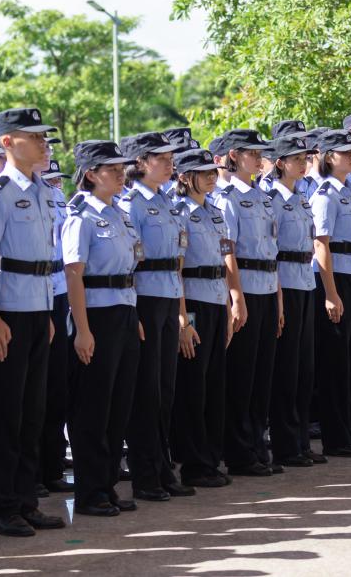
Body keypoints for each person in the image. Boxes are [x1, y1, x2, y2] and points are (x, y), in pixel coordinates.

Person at [0, 108, 66, 537]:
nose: (45, 144)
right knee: (6, 414)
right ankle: (4, 507)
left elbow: (45, 261)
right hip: (9, 310)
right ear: (9, 143)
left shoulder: (45, 191)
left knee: (33, 412)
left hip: (37, 308)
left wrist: (48, 313)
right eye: (35, 137)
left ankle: (27, 500)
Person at [62, 141, 142, 517]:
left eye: (121, 167)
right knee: (93, 407)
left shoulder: (119, 214)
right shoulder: (80, 215)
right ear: (91, 174)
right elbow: (74, 275)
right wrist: (82, 329)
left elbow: (128, 271)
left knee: (119, 405)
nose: (120, 173)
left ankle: (107, 485)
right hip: (96, 315)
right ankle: (90, 490)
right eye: (112, 168)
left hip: (124, 312)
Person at [118, 132, 192, 502]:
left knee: (165, 389)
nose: (169, 162)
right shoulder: (131, 202)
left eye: (169, 157)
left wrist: (181, 313)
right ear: (141, 162)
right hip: (144, 298)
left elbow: (176, 262)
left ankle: (162, 467)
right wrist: (134, 310)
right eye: (161, 157)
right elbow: (128, 262)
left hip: (167, 296)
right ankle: (145, 474)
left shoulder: (166, 201)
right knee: (146, 391)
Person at [214, 130, 282, 477]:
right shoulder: (228, 199)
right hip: (247, 287)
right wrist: (236, 296)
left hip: (269, 285)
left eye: (261, 153)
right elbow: (229, 253)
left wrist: (279, 298)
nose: (259, 159)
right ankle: (239, 451)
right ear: (234, 156)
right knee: (242, 374)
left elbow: (273, 250)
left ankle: (257, 443)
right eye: (252, 153)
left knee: (261, 375)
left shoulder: (262, 196)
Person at [170, 148, 232, 488]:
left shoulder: (216, 212)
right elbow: (176, 270)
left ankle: (211, 457)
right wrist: (182, 319)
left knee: (213, 383)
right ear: (184, 177)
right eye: (202, 171)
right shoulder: (180, 213)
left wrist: (228, 303)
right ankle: (194, 462)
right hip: (191, 300)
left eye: (213, 170)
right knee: (193, 384)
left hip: (215, 296)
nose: (211, 176)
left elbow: (223, 262)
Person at [310, 130, 351, 458]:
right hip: (332, 279)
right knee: (335, 362)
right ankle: (336, 437)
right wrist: (331, 293)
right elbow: (322, 244)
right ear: (328, 157)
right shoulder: (325, 194)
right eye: (344, 152)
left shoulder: (349, 192)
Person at [265, 135, 321, 467]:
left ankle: (300, 439)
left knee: (304, 366)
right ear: (281, 163)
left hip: (304, 277)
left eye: (304, 157)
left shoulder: (301, 198)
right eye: (296, 158)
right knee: (286, 368)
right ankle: (286, 443)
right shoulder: (272, 199)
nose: (303, 162)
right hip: (284, 279)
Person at [38, 158, 73, 494]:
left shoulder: (57, 200)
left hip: (59, 291)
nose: (54, 185)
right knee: (34, 392)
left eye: (57, 180)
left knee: (56, 387)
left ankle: (50, 467)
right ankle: (34, 471)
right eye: (48, 179)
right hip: (34, 292)